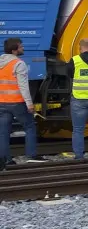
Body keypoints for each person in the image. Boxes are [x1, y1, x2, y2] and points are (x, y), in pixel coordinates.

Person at [0, 38, 44, 167]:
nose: (23, 48)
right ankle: (31, 155)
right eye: (21, 47)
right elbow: (23, 86)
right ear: (14, 50)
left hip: (2, 103)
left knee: (3, 132)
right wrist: (29, 104)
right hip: (17, 103)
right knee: (30, 126)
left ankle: (6, 160)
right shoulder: (18, 64)